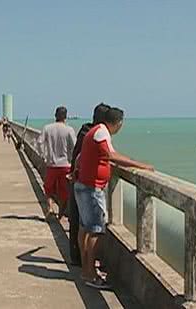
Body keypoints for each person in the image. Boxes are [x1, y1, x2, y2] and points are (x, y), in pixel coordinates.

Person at [74, 107, 154, 289]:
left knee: (85, 228)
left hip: (82, 186)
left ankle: (85, 269)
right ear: (118, 123)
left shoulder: (93, 131)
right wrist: (140, 164)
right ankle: (90, 273)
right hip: (91, 189)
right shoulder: (102, 132)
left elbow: (80, 157)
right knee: (95, 230)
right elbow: (111, 155)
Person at [67, 103, 110, 266]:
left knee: (80, 223)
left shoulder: (85, 131)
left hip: (78, 180)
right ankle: (85, 263)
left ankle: (80, 260)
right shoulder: (94, 134)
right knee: (86, 225)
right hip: (84, 183)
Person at [37, 106, 76, 221]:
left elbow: (39, 142)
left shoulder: (47, 128)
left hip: (51, 165)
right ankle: (60, 214)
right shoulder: (69, 130)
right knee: (64, 192)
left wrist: (44, 156)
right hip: (66, 165)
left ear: (55, 115)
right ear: (66, 117)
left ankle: (50, 207)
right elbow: (75, 146)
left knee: (48, 189)